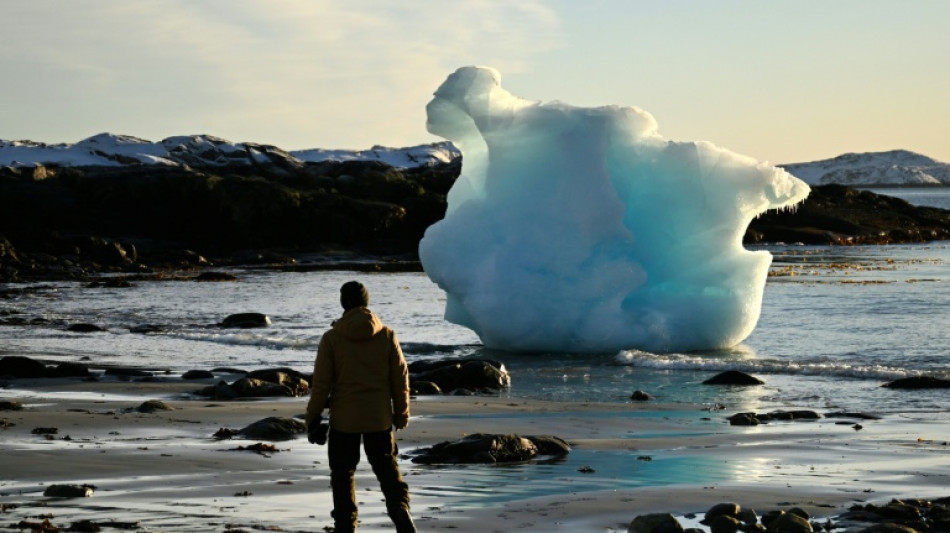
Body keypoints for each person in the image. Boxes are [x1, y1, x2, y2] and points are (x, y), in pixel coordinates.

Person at [306, 281, 415, 533]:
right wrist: (401, 413)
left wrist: (312, 417)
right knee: (387, 467)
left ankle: (346, 525)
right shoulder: (386, 334)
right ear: (366, 302)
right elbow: (400, 377)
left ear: (343, 303)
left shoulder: (332, 338)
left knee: (343, 474)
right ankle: (400, 509)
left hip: (344, 419)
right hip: (379, 417)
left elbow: (321, 384)